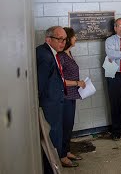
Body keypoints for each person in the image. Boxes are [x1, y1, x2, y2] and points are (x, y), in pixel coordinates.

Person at [36, 26, 67, 173]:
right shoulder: (45, 56)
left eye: (64, 39)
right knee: (52, 139)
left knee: (56, 137)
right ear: (48, 39)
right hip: (49, 105)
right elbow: (40, 85)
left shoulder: (50, 53)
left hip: (55, 102)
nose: (63, 42)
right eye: (59, 39)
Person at [57, 27, 86, 167]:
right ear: (69, 39)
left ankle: (67, 151)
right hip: (65, 96)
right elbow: (60, 79)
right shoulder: (61, 56)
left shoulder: (69, 53)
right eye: (74, 36)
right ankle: (62, 156)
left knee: (69, 126)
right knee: (65, 126)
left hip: (72, 94)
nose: (76, 38)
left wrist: (79, 84)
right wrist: (76, 82)